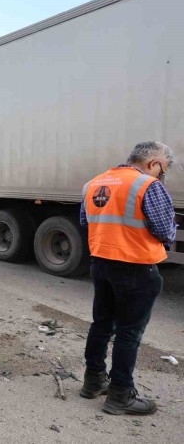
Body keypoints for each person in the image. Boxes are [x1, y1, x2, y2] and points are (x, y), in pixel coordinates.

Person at [79, 141, 176, 416]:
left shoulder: (94, 183)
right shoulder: (147, 185)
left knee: (101, 324)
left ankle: (93, 381)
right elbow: (164, 231)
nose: (161, 175)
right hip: (136, 266)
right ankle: (120, 394)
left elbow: (86, 223)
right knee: (128, 333)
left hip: (101, 264)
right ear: (153, 163)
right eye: (163, 169)